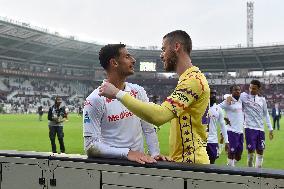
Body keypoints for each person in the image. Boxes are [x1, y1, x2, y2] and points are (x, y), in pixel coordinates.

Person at [99, 30, 210, 164]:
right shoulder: (189, 79)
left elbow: (159, 116)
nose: (162, 55)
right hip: (186, 161)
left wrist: (118, 93)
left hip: (192, 163)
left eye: (163, 49)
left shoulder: (193, 80)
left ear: (176, 47)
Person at [83, 44, 168, 164]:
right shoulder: (95, 99)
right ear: (114, 63)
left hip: (141, 165)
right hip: (111, 168)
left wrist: (155, 153)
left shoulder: (138, 91)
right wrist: (127, 153)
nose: (133, 60)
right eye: (127, 56)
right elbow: (91, 146)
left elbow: (148, 129)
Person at [227, 80, 273, 168]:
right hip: (249, 128)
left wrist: (270, 128)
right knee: (251, 152)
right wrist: (228, 96)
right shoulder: (244, 96)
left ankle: (258, 171)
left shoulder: (262, 100)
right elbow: (233, 95)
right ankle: (250, 172)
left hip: (261, 129)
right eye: (250, 88)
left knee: (260, 152)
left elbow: (266, 114)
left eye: (254, 88)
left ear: (259, 89)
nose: (251, 90)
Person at [219, 85, 244, 167]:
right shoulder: (227, 102)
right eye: (235, 90)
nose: (237, 91)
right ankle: (230, 171)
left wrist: (227, 96)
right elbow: (217, 108)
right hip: (232, 131)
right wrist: (223, 118)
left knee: (239, 156)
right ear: (231, 92)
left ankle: (229, 166)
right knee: (231, 153)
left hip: (240, 132)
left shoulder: (240, 100)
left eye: (239, 90)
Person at [207, 89, 229, 164]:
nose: (213, 96)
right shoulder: (200, 107)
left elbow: (223, 125)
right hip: (200, 141)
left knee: (212, 163)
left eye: (215, 94)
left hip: (213, 141)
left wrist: (226, 141)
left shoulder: (218, 109)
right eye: (211, 93)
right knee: (199, 164)